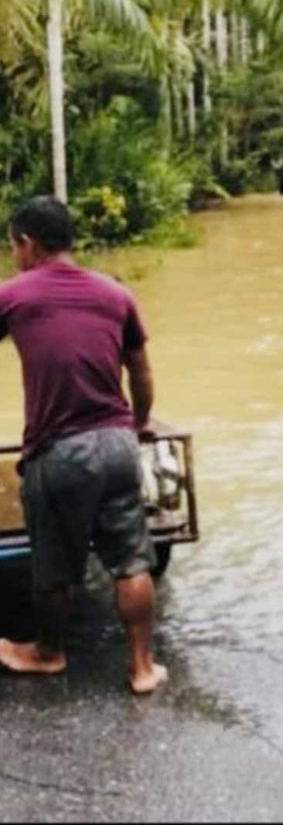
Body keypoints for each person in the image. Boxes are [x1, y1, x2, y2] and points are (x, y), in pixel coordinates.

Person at [0, 196, 167, 695]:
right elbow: (140, 372)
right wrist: (135, 426)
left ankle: (48, 652)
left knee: (54, 563)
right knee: (131, 559)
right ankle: (142, 668)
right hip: (118, 443)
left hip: (60, 449)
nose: (13, 255)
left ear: (28, 244)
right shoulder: (115, 294)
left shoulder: (14, 295)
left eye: (12, 246)